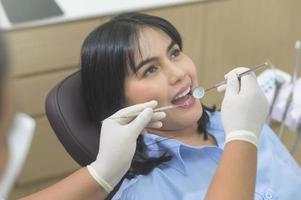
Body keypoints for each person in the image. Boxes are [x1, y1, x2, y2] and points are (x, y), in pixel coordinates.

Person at [0, 27, 260, 200]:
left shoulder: (237, 118)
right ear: (118, 100)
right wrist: (244, 137)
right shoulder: (145, 191)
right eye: (149, 69)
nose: (179, 73)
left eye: (175, 52)